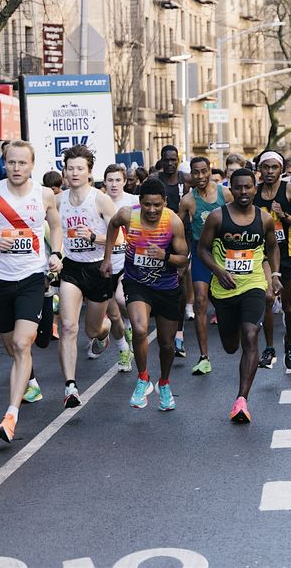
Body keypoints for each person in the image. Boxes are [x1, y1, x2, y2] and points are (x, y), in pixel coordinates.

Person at [0, 140, 63, 442]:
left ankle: (10, 416)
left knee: (21, 344)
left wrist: (56, 253)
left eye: (22, 163)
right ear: (4, 163)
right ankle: (28, 379)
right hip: (0, 281)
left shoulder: (43, 195)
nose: (16, 168)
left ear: (32, 165)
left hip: (32, 276)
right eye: (11, 162)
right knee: (11, 347)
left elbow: (55, 226)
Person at [197, 168, 282, 423]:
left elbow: (273, 247)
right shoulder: (216, 217)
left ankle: (241, 400)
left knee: (250, 334)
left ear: (255, 189)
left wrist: (274, 276)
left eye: (248, 187)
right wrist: (218, 270)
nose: (244, 192)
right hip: (223, 289)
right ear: (230, 190)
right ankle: (241, 396)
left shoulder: (264, 219)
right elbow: (202, 249)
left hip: (253, 284)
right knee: (231, 345)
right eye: (238, 188)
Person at [101, 178, 189, 411]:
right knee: (139, 329)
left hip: (167, 287)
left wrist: (165, 256)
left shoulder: (173, 222)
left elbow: (184, 258)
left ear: (165, 203)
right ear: (140, 202)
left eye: (157, 205)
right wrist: (108, 258)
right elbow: (112, 225)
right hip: (137, 284)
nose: (152, 210)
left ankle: (164, 383)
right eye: (147, 204)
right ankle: (143, 378)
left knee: (167, 344)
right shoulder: (128, 215)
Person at [56, 145, 123, 395]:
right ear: (64, 171)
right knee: (68, 327)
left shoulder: (100, 200)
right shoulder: (58, 200)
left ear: (89, 171)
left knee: (91, 330)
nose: (74, 173)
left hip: (97, 269)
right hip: (72, 268)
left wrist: (94, 236)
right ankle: (70, 386)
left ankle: (104, 331)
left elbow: (119, 238)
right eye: (70, 168)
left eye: (80, 169)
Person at [253, 150, 291, 370]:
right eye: (265, 167)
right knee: (268, 298)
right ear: (260, 169)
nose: (269, 172)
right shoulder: (253, 193)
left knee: (288, 306)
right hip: (263, 255)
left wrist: (283, 215)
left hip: (288, 254)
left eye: (274, 167)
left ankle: (288, 341)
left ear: (282, 169)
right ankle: (269, 348)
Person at [177, 157, 226, 375]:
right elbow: (177, 229)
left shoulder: (226, 194)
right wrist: (179, 256)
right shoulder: (188, 200)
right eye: (195, 173)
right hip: (200, 252)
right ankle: (204, 356)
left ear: (210, 171)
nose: (199, 177)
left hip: (225, 253)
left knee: (228, 301)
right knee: (200, 301)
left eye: (203, 171)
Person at [151, 145, 192, 356]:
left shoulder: (187, 179)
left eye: (173, 159)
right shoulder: (154, 180)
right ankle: (162, 323)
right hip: (158, 236)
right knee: (161, 280)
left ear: (178, 160)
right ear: (161, 160)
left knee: (180, 278)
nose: (170, 163)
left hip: (182, 236)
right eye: (166, 160)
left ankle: (179, 334)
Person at [101, 164, 138, 373]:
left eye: (118, 180)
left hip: (128, 262)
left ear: (125, 182)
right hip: (104, 264)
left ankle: (130, 325)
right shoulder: (99, 201)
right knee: (113, 316)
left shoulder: (133, 202)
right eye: (110, 180)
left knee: (122, 299)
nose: (114, 184)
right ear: (104, 182)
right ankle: (123, 348)